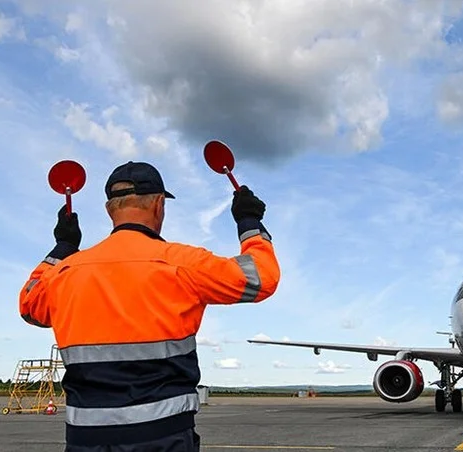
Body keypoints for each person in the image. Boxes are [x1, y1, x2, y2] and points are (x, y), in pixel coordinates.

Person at [19, 161, 281, 451]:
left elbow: (29, 305)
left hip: (85, 439)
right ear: (159, 204)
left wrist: (63, 248)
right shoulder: (181, 263)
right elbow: (262, 278)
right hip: (164, 438)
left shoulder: (64, 273)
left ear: (110, 209)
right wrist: (249, 223)